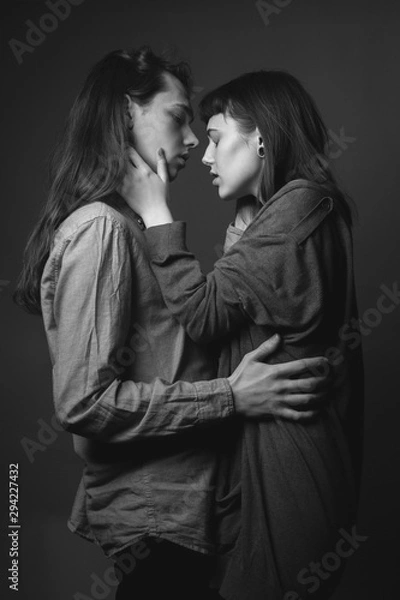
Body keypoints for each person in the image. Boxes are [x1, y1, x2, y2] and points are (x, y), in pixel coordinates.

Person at [13, 49, 331, 600]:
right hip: (156, 518)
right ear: (126, 112)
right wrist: (230, 398)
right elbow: (83, 404)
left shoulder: (129, 225)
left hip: (191, 511)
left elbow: (193, 335)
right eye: (178, 117)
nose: (189, 140)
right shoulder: (102, 230)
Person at [120, 70, 364, 599]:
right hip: (266, 454)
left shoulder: (300, 208)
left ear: (262, 138)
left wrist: (156, 210)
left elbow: (205, 315)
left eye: (214, 138)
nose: (204, 158)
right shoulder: (279, 211)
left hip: (291, 462)